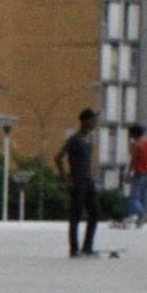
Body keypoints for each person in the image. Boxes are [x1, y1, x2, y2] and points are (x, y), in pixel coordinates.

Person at [61, 107, 103, 258]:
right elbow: (58, 157)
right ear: (85, 121)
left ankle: (88, 247)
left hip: (88, 181)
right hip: (77, 181)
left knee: (95, 212)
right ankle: (74, 249)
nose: (94, 123)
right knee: (76, 216)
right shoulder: (74, 139)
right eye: (92, 120)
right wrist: (65, 177)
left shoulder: (89, 140)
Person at [125, 123, 147, 228]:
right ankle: (140, 221)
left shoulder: (137, 144)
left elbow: (134, 160)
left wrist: (129, 173)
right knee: (144, 197)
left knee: (134, 198)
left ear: (134, 134)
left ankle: (142, 214)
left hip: (139, 172)